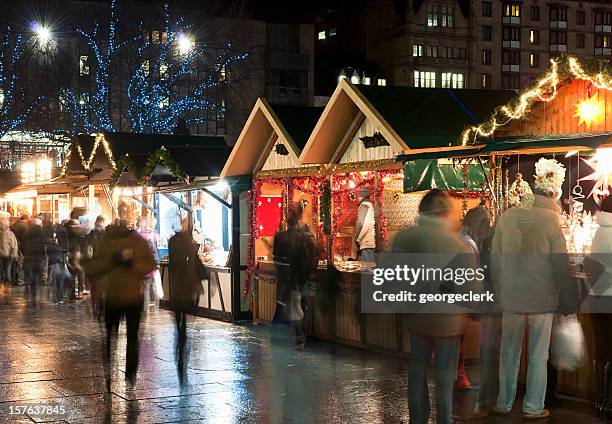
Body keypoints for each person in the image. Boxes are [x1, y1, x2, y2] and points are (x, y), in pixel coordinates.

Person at [491, 162, 579, 419]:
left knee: (508, 353)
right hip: (542, 299)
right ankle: (533, 407)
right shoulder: (552, 221)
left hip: (512, 298)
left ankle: (504, 403)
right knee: (538, 356)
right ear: (551, 197)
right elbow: (561, 264)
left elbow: (494, 259)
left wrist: (500, 287)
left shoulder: (507, 217)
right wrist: (567, 296)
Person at [391, 189, 477, 424]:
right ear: (444, 213)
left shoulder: (403, 239)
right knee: (445, 376)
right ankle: (444, 420)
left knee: (417, 368)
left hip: (416, 316)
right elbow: (469, 288)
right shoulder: (457, 245)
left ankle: (417, 419)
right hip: (447, 321)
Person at [83, 220, 156, 386]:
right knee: (110, 338)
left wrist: (133, 264)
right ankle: (109, 372)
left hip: (132, 298)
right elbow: (93, 267)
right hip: (112, 298)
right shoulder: (106, 242)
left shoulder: (138, 242)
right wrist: (112, 261)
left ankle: (130, 373)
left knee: (131, 338)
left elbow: (150, 265)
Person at [455, 205, 492, 392]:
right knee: (458, 339)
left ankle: (459, 377)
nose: (488, 232)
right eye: (487, 226)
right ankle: (460, 378)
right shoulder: (469, 244)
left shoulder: (459, 238)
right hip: (460, 300)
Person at [273, 203, 318, 347]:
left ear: (287, 222)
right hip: (298, 277)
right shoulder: (302, 237)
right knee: (299, 306)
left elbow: (276, 256)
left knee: (286, 305)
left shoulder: (280, 236)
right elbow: (306, 258)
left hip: (286, 277)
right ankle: (301, 335)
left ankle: (290, 335)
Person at [583, 195, 612, 419]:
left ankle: (599, 403)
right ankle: (609, 404)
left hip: (596, 298)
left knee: (601, 348)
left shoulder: (599, 231)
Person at [168, 217, 204, 382]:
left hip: (177, 288)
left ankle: (181, 340)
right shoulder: (189, 245)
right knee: (185, 319)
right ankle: (182, 341)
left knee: (180, 320)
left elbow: (175, 263)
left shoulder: (173, 243)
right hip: (188, 288)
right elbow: (195, 264)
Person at [136, 216, 160, 313]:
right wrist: (157, 263)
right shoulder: (151, 235)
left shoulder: (137, 236)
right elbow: (154, 251)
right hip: (151, 265)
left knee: (145, 287)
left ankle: (145, 309)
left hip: (141, 266)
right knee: (154, 286)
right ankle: (157, 307)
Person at [64, 209, 89, 299]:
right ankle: (78, 291)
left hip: (70, 250)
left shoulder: (67, 225)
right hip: (75, 251)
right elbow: (85, 230)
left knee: (72, 272)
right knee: (78, 271)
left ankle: (72, 292)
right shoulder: (73, 225)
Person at [46, 219, 69, 304]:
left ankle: (56, 298)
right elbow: (66, 246)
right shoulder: (63, 231)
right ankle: (60, 298)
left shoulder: (52, 234)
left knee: (54, 280)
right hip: (60, 259)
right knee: (60, 279)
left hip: (54, 260)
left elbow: (48, 250)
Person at [22, 218, 46, 299]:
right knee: (36, 273)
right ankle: (34, 289)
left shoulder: (26, 232)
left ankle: (27, 285)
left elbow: (22, 244)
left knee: (28, 272)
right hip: (39, 256)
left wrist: (24, 252)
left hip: (29, 255)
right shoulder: (42, 233)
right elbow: (45, 244)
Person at [353, 187, 376, 262]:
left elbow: (361, 223)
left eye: (359, 196)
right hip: (371, 242)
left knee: (367, 270)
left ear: (362, 196)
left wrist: (357, 238)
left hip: (366, 243)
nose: (357, 198)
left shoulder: (364, 205)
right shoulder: (371, 206)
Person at [0, 217, 18, 290]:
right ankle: (6, 283)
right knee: (7, 268)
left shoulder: (6, 234)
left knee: (3, 269)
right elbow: (14, 245)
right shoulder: (10, 234)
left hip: (3, 254)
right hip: (8, 254)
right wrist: (14, 254)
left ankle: (4, 282)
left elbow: (14, 245)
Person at [10, 214, 28, 285]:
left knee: (14, 263)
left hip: (13, 246)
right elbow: (24, 239)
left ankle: (13, 278)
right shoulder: (24, 226)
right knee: (21, 263)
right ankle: (20, 279)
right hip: (21, 247)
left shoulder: (14, 225)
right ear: (25, 219)